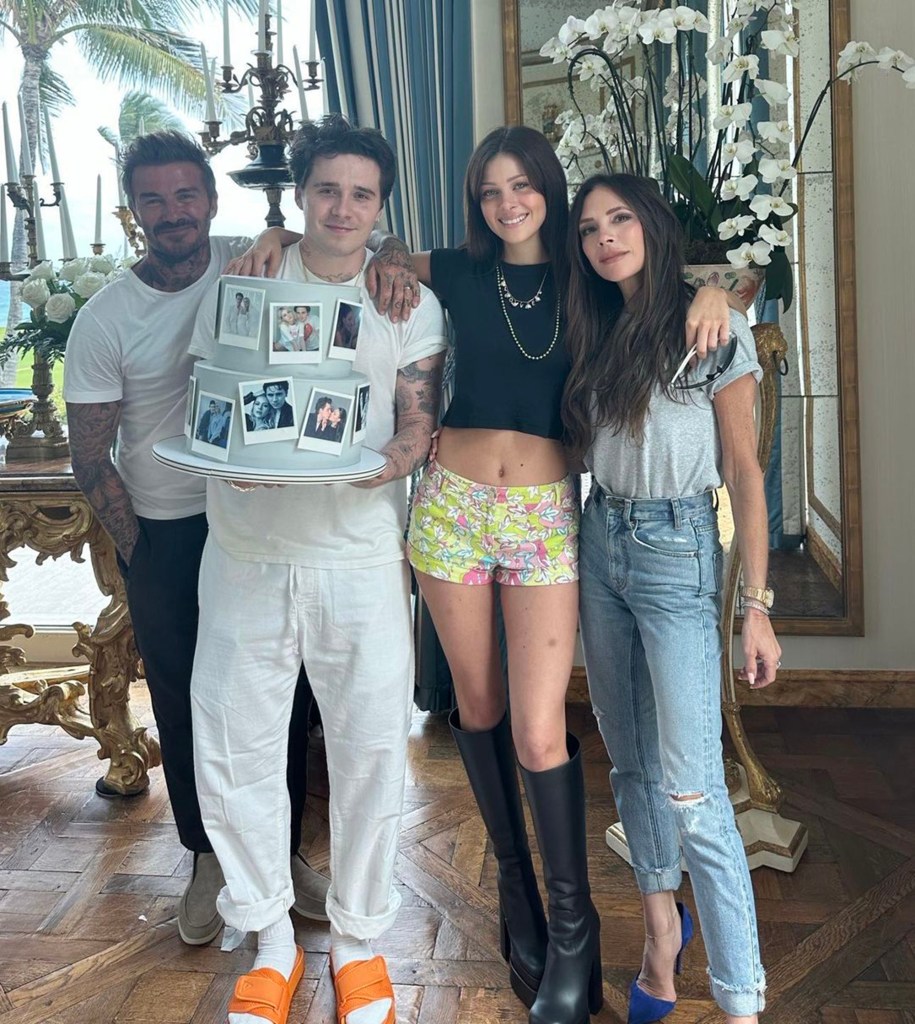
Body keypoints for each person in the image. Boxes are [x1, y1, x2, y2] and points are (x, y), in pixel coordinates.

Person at [361, 125, 739, 1024]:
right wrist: (343, 244)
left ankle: (574, 937)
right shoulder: (454, 269)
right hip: (448, 504)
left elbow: (691, 284)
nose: (507, 204)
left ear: (548, 190)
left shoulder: (590, 287)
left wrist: (719, 285)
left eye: (522, 186)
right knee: (476, 712)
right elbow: (359, 249)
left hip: (542, 517)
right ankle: (518, 906)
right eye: (490, 191)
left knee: (538, 732)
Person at [187, 114, 447, 1024]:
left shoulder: (404, 297)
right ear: (298, 196)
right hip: (246, 557)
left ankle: (362, 945)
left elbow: (420, 414)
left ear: (381, 208)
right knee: (234, 748)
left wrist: (401, 452)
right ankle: (268, 940)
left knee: (372, 749)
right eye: (327, 190)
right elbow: (207, 403)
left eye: (361, 194)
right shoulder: (245, 274)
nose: (343, 208)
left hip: (359, 557)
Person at [63, 130, 329, 951]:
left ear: (211, 199)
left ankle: (282, 855)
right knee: (183, 702)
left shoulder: (254, 259)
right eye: (154, 199)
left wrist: (294, 239)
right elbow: (86, 453)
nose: (172, 213)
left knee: (278, 692)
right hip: (170, 530)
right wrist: (140, 545)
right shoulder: (106, 316)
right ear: (133, 210)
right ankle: (208, 857)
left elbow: (342, 246)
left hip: (261, 518)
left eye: (186, 195)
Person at [565, 173, 779, 1024]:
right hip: (597, 543)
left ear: (652, 225)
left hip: (675, 548)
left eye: (620, 219)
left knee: (694, 792)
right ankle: (662, 943)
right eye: (588, 228)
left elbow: (745, 473)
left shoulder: (708, 326)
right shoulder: (591, 325)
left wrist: (754, 606)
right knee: (629, 765)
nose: (605, 236)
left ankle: (739, 1001)